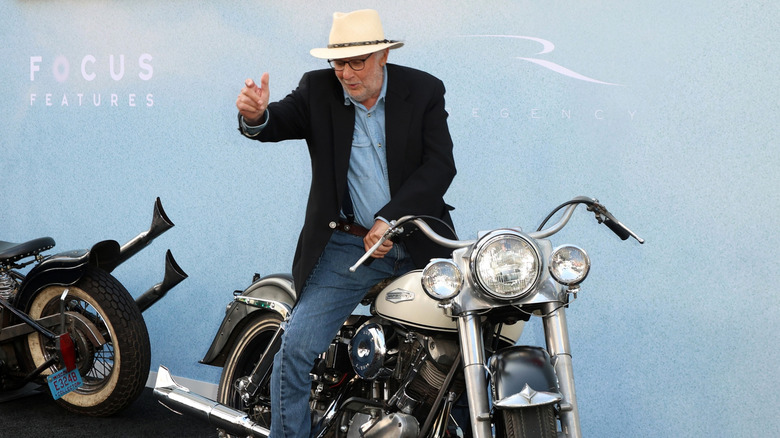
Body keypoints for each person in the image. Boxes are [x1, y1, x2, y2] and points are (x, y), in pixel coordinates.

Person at [235, 9, 457, 438]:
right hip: (350, 246)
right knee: (296, 350)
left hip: (422, 241)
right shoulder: (317, 90)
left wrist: (389, 219)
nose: (347, 73)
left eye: (358, 62)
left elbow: (439, 166)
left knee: (466, 338)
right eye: (339, 63)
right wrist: (256, 116)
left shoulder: (424, 90)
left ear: (383, 56)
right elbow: (274, 122)